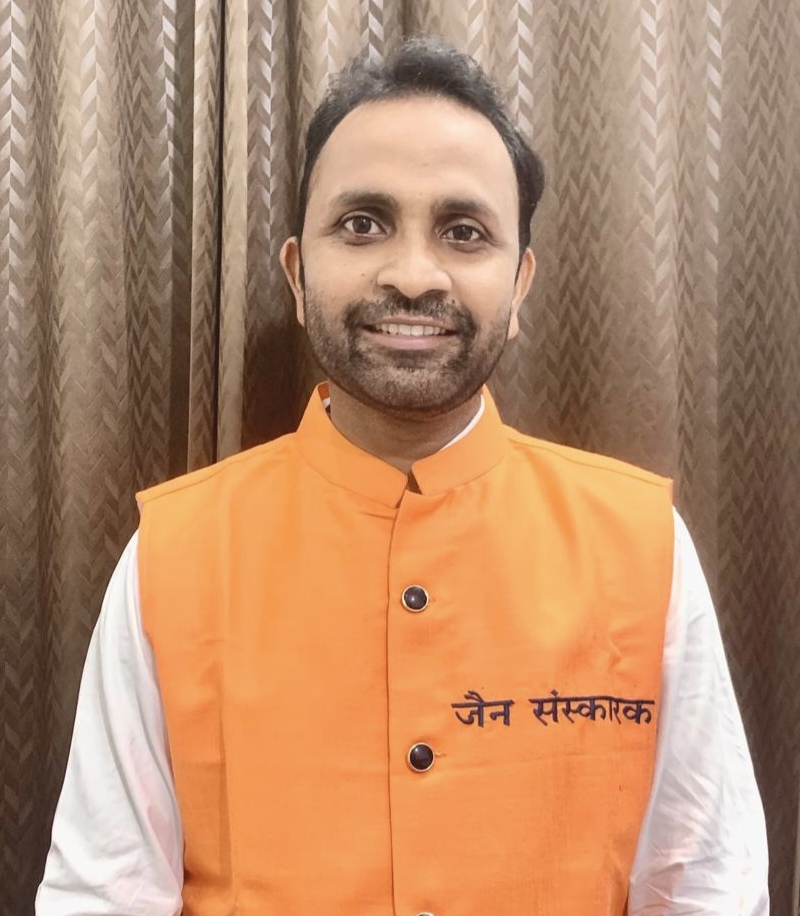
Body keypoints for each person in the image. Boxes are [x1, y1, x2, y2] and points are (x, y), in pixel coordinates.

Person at [37, 37, 768, 916]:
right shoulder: (173, 558)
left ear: (519, 285)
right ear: (298, 276)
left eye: (464, 232)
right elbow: (101, 895)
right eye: (363, 224)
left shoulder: (642, 548)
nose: (413, 275)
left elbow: (709, 886)